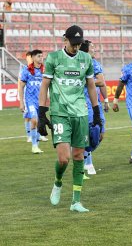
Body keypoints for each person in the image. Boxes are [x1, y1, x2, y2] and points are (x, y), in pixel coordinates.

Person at [38, 25, 102, 213]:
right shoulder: (54, 58)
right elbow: (44, 86)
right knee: (64, 159)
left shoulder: (86, 58)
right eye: (73, 43)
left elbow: (91, 85)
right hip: (60, 113)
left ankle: (76, 201)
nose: (76, 47)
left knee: (78, 156)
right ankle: (57, 183)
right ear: (64, 40)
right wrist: (42, 113)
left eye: (79, 44)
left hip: (80, 114)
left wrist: (96, 111)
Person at [80, 40, 109, 176]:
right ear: (86, 49)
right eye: (92, 47)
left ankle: (84, 155)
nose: (95, 49)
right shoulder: (79, 64)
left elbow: (101, 82)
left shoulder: (95, 63)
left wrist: (106, 100)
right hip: (84, 104)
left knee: (100, 134)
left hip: (96, 104)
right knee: (91, 132)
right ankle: (88, 163)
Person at [18, 50, 45, 153]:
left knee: (39, 123)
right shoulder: (27, 70)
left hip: (41, 101)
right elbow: (21, 86)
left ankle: (36, 145)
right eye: (38, 56)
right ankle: (34, 145)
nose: (41, 58)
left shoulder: (44, 70)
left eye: (42, 56)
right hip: (30, 100)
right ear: (33, 58)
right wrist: (21, 102)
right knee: (34, 120)